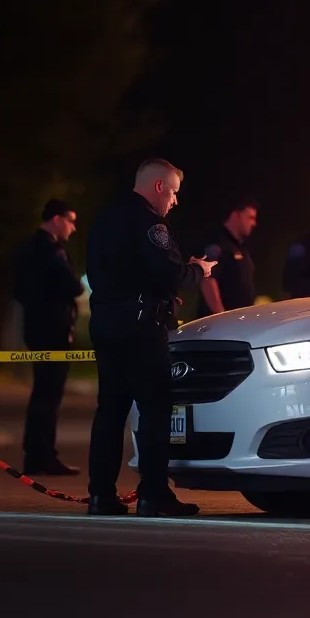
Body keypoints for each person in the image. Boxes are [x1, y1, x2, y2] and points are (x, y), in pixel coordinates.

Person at [84, 158, 216, 517]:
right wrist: (198, 270)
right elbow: (169, 274)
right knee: (156, 409)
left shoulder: (104, 218)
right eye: (173, 193)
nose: (175, 201)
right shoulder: (150, 223)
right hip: (141, 327)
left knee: (110, 410)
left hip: (106, 322)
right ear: (159, 186)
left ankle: (100, 496)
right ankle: (153, 495)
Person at [12, 199, 83, 476]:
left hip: (37, 329)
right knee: (48, 396)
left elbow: (18, 290)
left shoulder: (27, 248)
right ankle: (44, 456)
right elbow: (73, 286)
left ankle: (36, 455)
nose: (73, 227)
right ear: (56, 219)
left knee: (42, 393)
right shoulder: (50, 250)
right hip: (53, 332)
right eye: (70, 220)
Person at [195, 197, 258, 318]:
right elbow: (207, 279)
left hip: (238, 323)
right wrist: (221, 316)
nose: (254, 223)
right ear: (237, 215)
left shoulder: (241, 247)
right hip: (220, 327)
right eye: (250, 217)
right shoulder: (218, 243)